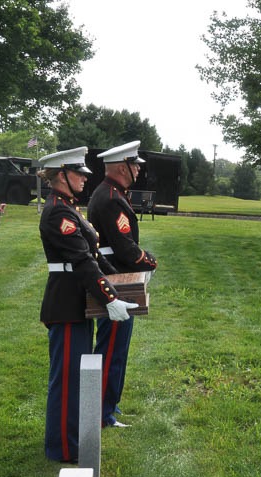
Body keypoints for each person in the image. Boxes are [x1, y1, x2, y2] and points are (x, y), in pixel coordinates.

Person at [38, 147, 137, 462]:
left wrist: (118, 287)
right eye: (78, 173)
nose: (84, 178)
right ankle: (64, 449)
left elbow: (93, 258)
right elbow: (81, 261)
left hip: (75, 301)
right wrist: (110, 298)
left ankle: (72, 440)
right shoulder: (58, 213)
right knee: (67, 380)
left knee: (76, 376)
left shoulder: (68, 207)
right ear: (61, 175)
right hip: (66, 304)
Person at [87, 140, 158, 428]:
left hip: (115, 276)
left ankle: (108, 406)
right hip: (117, 279)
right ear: (120, 168)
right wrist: (149, 261)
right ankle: (102, 412)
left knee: (115, 347)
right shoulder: (111, 198)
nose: (138, 170)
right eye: (134, 165)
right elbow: (125, 247)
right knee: (112, 350)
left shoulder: (111, 193)